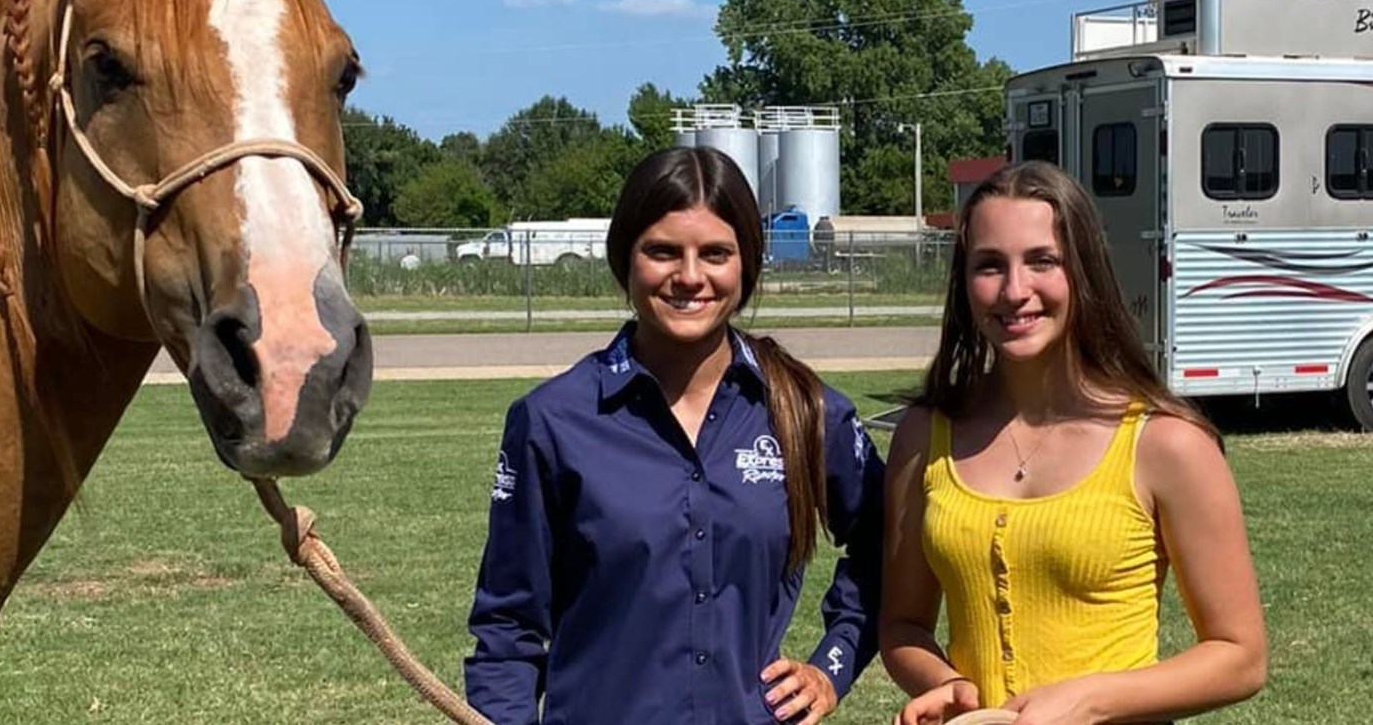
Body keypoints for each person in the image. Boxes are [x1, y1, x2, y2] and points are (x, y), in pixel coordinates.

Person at [463, 146, 886, 725]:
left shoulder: (806, 411)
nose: (690, 277)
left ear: (747, 264)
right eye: (662, 252)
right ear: (625, 260)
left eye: (715, 253)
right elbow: (508, 627)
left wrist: (832, 664)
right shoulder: (552, 421)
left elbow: (892, 545)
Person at [879, 161, 1268, 725]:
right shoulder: (923, 435)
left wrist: (1086, 702)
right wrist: (950, 686)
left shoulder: (1165, 442)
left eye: (1043, 261)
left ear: (1083, 272)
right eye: (989, 266)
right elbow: (903, 625)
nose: (1015, 291)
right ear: (964, 284)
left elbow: (1241, 657)